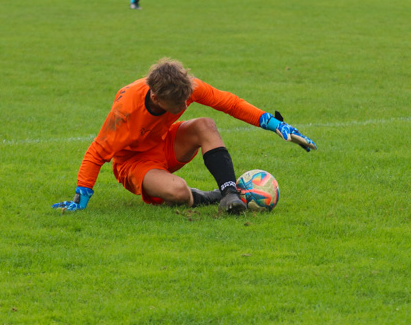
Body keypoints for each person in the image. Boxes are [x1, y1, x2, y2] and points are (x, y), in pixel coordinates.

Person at [52, 58, 317, 215]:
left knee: (205, 124)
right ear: (156, 98)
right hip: (134, 163)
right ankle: (209, 196)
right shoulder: (126, 111)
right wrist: (80, 198)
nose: (183, 107)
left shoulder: (185, 88)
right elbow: (97, 152)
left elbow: (230, 103)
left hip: (166, 143)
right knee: (178, 191)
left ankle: (229, 193)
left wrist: (275, 125)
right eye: (177, 105)